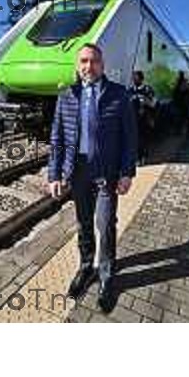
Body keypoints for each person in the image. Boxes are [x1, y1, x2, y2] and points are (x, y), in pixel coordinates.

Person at [47, 43, 137, 313]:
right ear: (78, 65)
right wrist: (54, 174)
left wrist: (126, 172)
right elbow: (57, 139)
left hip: (107, 173)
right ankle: (87, 267)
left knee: (105, 223)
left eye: (94, 61)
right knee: (84, 223)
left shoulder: (119, 95)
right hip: (78, 172)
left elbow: (130, 138)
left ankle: (107, 276)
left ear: (102, 64)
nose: (89, 66)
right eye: (84, 61)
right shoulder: (66, 96)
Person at [129, 70, 156, 164]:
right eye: (133, 78)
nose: (134, 80)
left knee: (143, 139)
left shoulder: (148, 89)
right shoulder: (130, 90)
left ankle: (143, 157)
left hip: (145, 119)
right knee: (134, 139)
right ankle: (137, 158)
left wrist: (145, 101)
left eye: (136, 78)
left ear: (141, 79)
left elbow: (153, 104)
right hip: (133, 119)